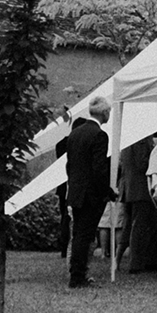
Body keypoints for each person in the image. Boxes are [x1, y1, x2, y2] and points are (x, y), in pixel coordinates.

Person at [64, 96, 113, 288]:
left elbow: (70, 165)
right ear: (105, 113)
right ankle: (78, 276)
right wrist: (105, 192)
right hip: (90, 194)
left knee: (78, 235)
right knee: (86, 236)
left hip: (76, 191)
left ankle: (76, 274)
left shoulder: (75, 134)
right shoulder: (100, 135)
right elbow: (99, 168)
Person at [119, 126, 157, 273]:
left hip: (130, 188)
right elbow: (143, 163)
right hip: (141, 188)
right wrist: (155, 154)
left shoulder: (128, 138)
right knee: (140, 226)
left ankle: (142, 260)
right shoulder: (142, 140)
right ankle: (136, 263)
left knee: (132, 226)